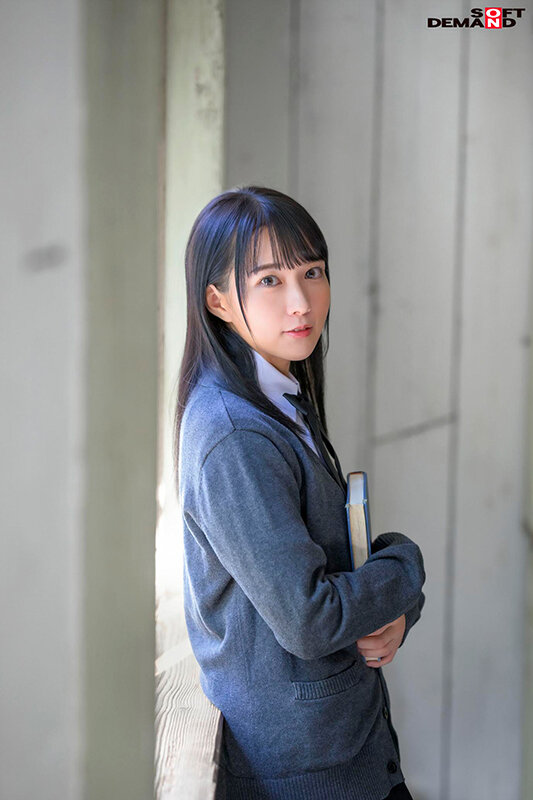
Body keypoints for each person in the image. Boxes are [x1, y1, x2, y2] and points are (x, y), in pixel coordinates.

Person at [174, 185, 426, 800]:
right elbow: (311, 619)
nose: (301, 302)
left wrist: (397, 612)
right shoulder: (234, 434)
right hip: (306, 774)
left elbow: (330, 572)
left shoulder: (276, 397)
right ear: (217, 300)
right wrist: (407, 566)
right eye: (269, 280)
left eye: (312, 272)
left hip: (345, 748)